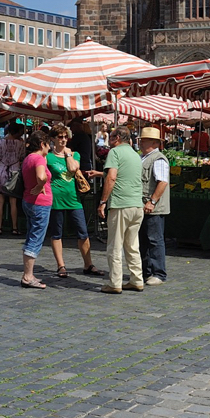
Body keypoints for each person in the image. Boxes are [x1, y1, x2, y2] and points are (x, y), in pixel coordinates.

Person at [46, 124, 103, 278]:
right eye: (60, 137)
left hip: (73, 199)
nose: (64, 140)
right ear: (53, 139)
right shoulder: (48, 157)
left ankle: (88, 264)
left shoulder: (74, 154)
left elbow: (73, 169)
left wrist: (68, 154)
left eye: (66, 137)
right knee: (56, 233)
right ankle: (61, 265)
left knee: (83, 232)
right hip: (56, 199)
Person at [97, 126, 145, 294]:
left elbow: (112, 177)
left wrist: (103, 201)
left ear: (117, 138)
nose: (109, 140)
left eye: (111, 137)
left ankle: (115, 283)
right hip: (137, 205)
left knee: (115, 246)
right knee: (132, 245)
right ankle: (137, 280)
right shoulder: (135, 154)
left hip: (120, 204)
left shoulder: (115, 152)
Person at [137, 126, 171, 286]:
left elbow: (162, 182)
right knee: (143, 240)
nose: (141, 143)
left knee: (155, 240)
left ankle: (159, 273)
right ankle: (147, 272)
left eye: (144, 141)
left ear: (154, 143)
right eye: (141, 140)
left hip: (154, 208)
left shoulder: (158, 159)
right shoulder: (142, 157)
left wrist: (152, 201)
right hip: (142, 206)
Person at [19, 131, 53, 290]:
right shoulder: (38, 159)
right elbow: (41, 177)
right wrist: (41, 185)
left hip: (29, 201)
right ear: (42, 144)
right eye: (48, 144)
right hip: (39, 203)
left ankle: (29, 274)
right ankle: (27, 276)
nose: (50, 147)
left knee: (31, 235)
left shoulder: (28, 158)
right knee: (35, 238)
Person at [0, 122, 26, 235]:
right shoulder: (21, 144)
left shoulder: (0, 142)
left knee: (0, 200)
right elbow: (23, 156)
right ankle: (14, 228)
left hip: (1, 171)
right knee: (13, 202)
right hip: (14, 172)